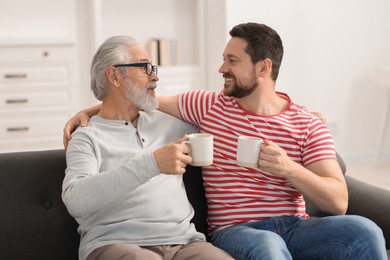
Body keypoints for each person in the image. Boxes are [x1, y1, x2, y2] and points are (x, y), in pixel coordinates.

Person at [64, 24, 387, 259]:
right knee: (267, 247)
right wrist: (91, 113)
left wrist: (290, 168)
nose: (221, 68)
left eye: (232, 61)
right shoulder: (207, 106)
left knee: (365, 231)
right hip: (234, 230)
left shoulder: (304, 122)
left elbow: (338, 202)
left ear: (264, 68)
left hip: (281, 227)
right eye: (223, 59)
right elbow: (133, 103)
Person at [62, 35, 233, 260]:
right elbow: (76, 200)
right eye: (145, 68)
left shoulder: (171, 122)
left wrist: (91, 109)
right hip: (116, 244)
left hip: (184, 243)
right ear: (114, 76)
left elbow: (224, 110)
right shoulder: (87, 137)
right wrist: (153, 163)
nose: (155, 76)